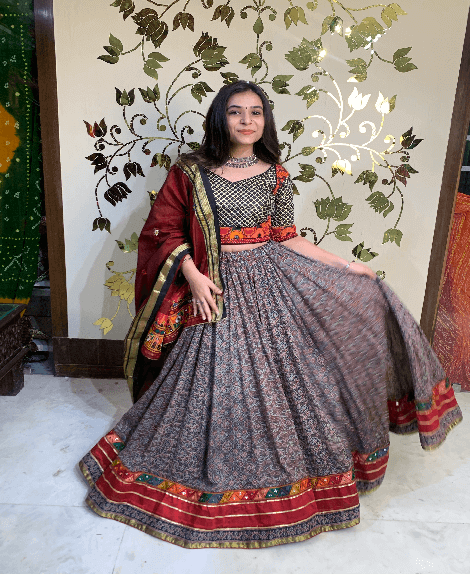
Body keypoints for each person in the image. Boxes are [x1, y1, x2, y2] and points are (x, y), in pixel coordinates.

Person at [80, 80, 462, 549]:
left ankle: (293, 477)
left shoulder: (276, 174)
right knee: (215, 377)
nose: (247, 120)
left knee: (294, 376)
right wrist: (194, 277)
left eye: (256, 112)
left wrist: (348, 266)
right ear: (220, 118)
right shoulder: (190, 171)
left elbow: (287, 236)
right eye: (236, 112)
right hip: (213, 285)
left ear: (266, 120)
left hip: (270, 277)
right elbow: (162, 231)